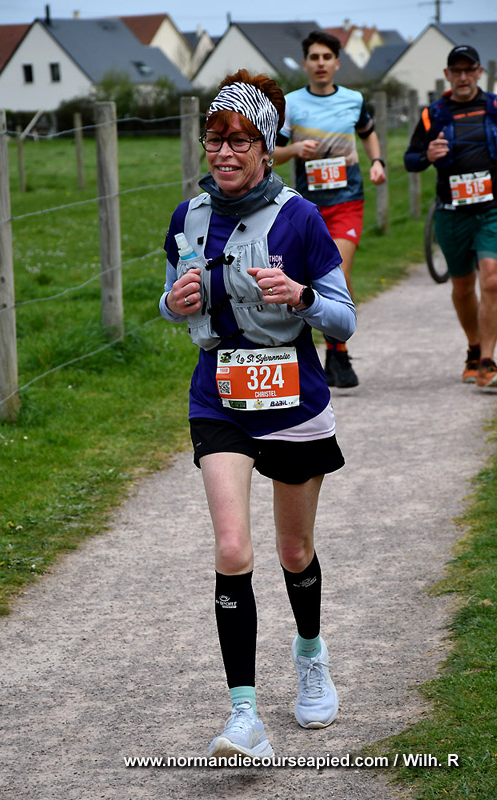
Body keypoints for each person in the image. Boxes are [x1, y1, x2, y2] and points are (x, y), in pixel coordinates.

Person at [159, 69, 356, 760]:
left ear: (266, 148)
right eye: (215, 138)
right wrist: (173, 303)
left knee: (293, 551)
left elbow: (344, 318)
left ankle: (310, 653)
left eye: (240, 140)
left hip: (292, 394)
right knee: (232, 547)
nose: (224, 152)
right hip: (219, 394)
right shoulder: (187, 217)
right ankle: (244, 715)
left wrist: (301, 297)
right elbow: (171, 297)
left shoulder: (300, 219)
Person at [273, 30, 386, 389]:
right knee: (309, 279)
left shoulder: (353, 99)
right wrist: (295, 150)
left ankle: (338, 352)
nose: (320, 63)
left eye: (327, 57)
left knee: (338, 270)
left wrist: (377, 161)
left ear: (337, 62)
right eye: (314, 57)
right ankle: (329, 352)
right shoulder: (291, 103)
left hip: (347, 201)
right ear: (305, 63)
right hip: (307, 209)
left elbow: (368, 132)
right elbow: (272, 153)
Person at [405, 45, 497, 389]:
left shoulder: (494, 108)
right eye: (456, 71)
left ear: (478, 72)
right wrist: (427, 154)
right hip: (451, 212)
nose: (463, 77)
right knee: (462, 287)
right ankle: (474, 348)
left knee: (491, 279)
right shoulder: (434, 114)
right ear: (447, 75)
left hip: (491, 209)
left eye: (469, 70)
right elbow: (410, 160)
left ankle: (487, 362)